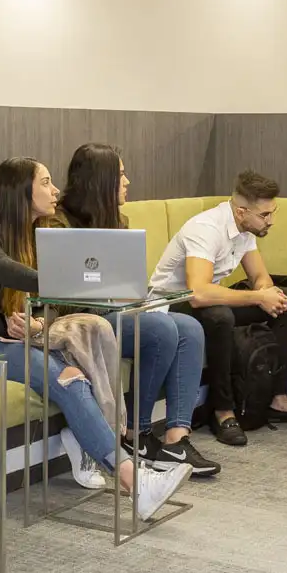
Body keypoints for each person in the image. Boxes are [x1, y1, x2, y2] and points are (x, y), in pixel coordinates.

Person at [0, 156, 191, 519]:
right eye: (45, 182)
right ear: (20, 192)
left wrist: (38, 324)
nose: (55, 190)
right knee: (69, 377)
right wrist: (68, 280)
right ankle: (133, 481)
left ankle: (98, 452)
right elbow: (3, 269)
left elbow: (45, 306)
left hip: (20, 342)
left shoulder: (38, 235)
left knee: (81, 368)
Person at [48, 142, 220, 477]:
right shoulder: (58, 226)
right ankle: (134, 433)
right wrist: (111, 295)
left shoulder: (117, 221)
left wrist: (132, 295)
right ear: (102, 181)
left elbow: (123, 281)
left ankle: (175, 438)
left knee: (189, 328)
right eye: (122, 175)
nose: (127, 182)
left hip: (113, 313)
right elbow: (60, 296)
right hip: (78, 322)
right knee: (159, 329)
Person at [150, 170, 287, 447]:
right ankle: (222, 411)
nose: (270, 221)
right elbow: (198, 293)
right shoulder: (206, 229)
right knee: (220, 316)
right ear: (240, 211)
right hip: (170, 307)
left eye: (273, 212)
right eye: (265, 215)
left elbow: (261, 278)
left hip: (202, 300)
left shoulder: (245, 229)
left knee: (282, 306)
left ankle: (278, 398)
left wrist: (267, 294)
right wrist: (257, 298)